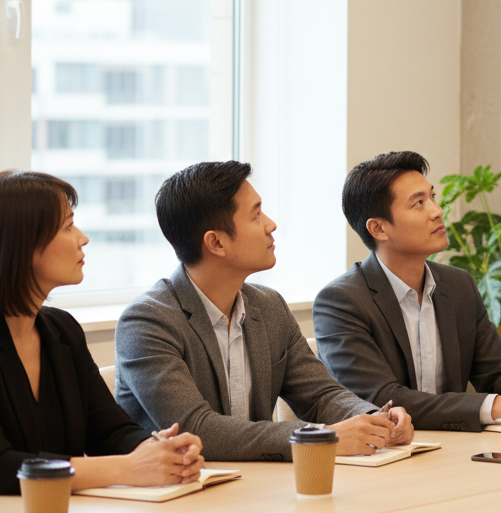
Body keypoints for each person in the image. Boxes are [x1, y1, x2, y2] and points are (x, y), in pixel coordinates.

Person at [115, 161, 412, 462]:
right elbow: (196, 429)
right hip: (176, 496)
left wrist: (376, 419)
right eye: (256, 215)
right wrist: (323, 438)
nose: (271, 225)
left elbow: (321, 396)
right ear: (216, 242)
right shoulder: (147, 321)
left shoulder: (269, 307)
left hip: (256, 486)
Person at [314, 151, 501, 432]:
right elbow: (381, 399)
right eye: (418, 203)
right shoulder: (341, 301)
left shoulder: (459, 285)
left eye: (432, 197)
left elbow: (499, 373)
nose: (437, 211)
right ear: (379, 228)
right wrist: (494, 406)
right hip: (382, 458)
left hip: (457, 449)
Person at [0, 170, 204, 495]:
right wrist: (126, 468)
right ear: (22, 243)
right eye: (67, 226)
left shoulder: (62, 331)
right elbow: (4, 466)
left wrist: (159, 450)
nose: (83, 238)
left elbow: (109, 431)